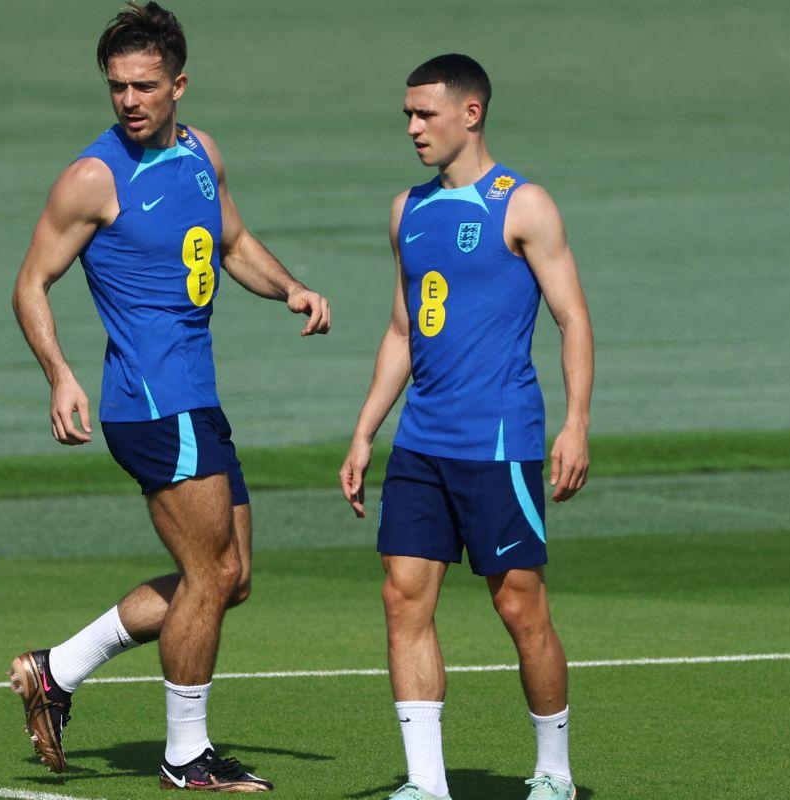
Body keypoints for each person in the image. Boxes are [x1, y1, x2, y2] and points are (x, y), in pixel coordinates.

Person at [7, 2, 330, 790]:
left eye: (144, 85)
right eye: (117, 86)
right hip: (151, 403)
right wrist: (60, 375)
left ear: (178, 84)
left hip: (197, 399)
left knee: (232, 578)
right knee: (211, 576)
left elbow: (233, 243)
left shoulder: (199, 154)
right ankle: (186, 756)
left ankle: (57, 670)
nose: (128, 100)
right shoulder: (94, 177)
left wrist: (288, 288)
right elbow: (31, 284)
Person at [339, 54, 593, 800]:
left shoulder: (524, 205)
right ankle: (427, 784)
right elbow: (399, 332)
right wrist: (365, 432)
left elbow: (572, 318)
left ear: (471, 113)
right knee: (401, 596)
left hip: (500, 442)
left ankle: (553, 771)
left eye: (426, 113)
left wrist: (575, 424)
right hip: (421, 443)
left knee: (519, 603)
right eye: (408, 115)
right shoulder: (406, 210)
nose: (413, 127)